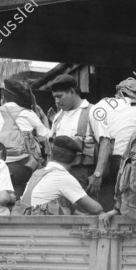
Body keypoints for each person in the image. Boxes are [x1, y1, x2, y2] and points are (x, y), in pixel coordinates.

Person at [0, 79, 50, 196]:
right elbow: (45, 136)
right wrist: (44, 118)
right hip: (23, 167)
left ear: (3, 98)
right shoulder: (28, 114)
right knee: (19, 193)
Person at [48, 74, 113, 202]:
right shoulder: (58, 116)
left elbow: (105, 143)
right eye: (54, 97)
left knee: (84, 214)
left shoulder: (93, 111)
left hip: (82, 174)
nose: (56, 101)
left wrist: (97, 175)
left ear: (72, 92)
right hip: (59, 174)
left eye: (60, 96)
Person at [93, 77, 136, 211]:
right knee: (131, 203)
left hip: (107, 162)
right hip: (130, 163)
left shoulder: (105, 107)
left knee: (110, 200)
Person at [16, 136, 103, 215]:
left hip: (24, 220)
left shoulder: (38, 173)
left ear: (51, 155)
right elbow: (96, 209)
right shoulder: (63, 177)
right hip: (39, 225)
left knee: (65, 205)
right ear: (76, 159)